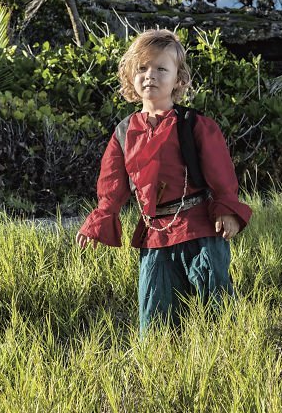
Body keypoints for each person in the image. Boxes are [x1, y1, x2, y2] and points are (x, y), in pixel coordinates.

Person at [76, 29, 251, 333]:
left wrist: (226, 209)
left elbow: (220, 172)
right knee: (155, 315)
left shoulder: (195, 125)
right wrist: (100, 220)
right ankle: (159, 367)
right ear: (131, 76)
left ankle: (226, 360)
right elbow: (112, 186)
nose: (150, 76)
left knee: (217, 308)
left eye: (161, 68)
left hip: (200, 230)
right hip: (155, 234)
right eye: (141, 68)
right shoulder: (124, 132)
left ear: (179, 78)